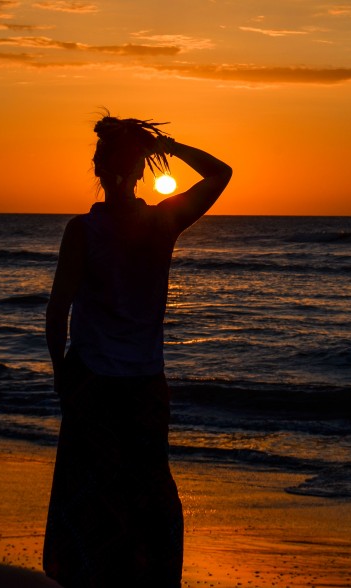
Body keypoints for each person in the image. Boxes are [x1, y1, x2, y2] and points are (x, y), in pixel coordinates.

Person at [43, 113, 232, 587]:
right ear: (141, 170)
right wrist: (170, 145)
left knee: (89, 490)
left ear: (99, 171)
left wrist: (59, 373)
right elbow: (220, 173)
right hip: (144, 380)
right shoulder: (160, 223)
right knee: (147, 489)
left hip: (91, 378)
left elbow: (57, 310)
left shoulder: (81, 231)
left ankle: (89, 577)